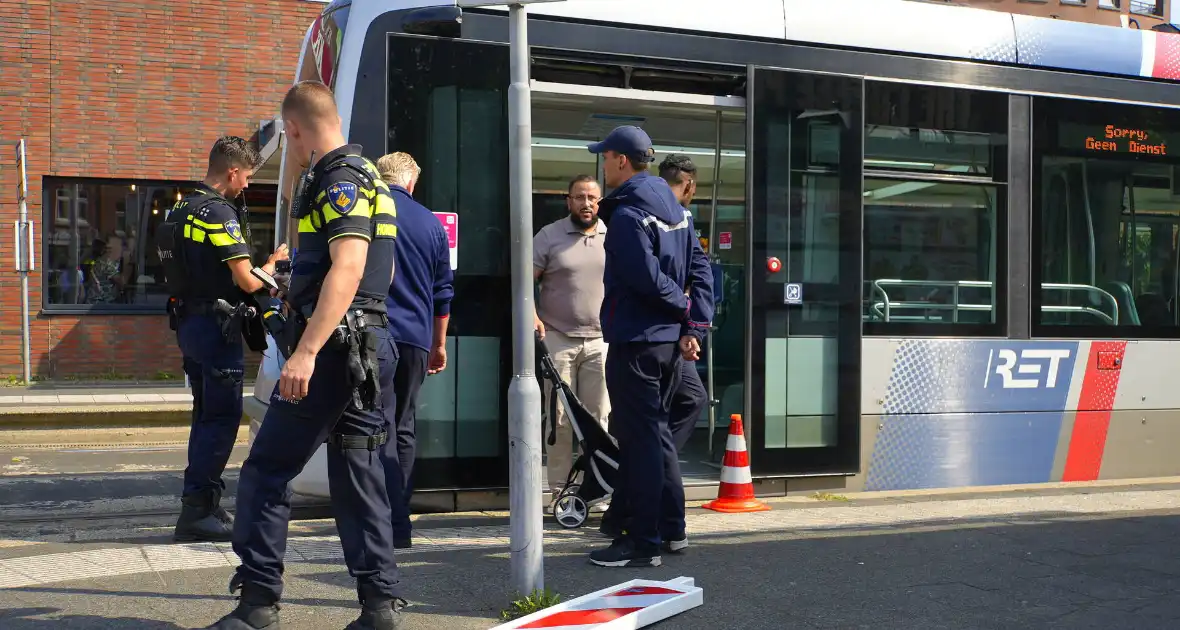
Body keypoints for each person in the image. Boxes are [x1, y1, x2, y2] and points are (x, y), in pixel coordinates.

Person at [203, 80, 405, 630]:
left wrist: (306, 352)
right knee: (360, 474)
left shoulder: (338, 177)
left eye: (287, 136)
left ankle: (258, 602)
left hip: (336, 350)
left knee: (268, 470)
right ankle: (377, 607)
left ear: (293, 128)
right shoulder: (368, 177)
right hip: (366, 348)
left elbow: (349, 267)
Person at [586, 126, 710, 568]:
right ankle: (672, 529)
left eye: (605, 157)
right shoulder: (676, 210)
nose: (602, 165)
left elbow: (642, 276)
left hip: (636, 342)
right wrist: (693, 323)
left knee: (639, 443)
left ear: (622, 160)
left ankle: (641, 542)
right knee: (656, 438)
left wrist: (681, 307)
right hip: (667, 346)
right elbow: (701, 268)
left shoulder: (626, 214)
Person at [158, 136, 289, 543]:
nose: (247, 185)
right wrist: (272, 266)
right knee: (220, 420)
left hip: (189, 324)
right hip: (217, 328)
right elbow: (247, 280)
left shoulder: (179, 207)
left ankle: (202, 504)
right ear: (233, 171)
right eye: (247, 177)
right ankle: (198, 511)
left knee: (204, 416)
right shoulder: (218, 212)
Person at [375, 151, 454, 549]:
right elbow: (443, 293)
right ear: (411, 182)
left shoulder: (368, 211)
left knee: (372, 426)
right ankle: (400, 525)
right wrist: (438, 344)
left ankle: (374, 519)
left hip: (374, 335)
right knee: (402, 427)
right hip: (416, 340)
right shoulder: (432, 224)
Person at [533, 174, 611, 509]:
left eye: (592, 198)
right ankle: (560, 494)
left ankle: (598, 491)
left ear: (600, 202)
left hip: (602, 341)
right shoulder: (549, 235)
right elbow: (524, 281)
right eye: (579, 197)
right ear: (569, 201)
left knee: (600, 420)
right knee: (561, 422)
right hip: (559, 339)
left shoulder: (615, 235)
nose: (586, 204)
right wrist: (533, 318)